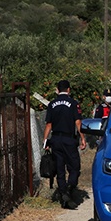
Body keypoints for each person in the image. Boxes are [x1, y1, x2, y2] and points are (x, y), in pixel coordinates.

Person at [43, 80, 86, 209]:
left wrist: (45, 140)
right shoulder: (73, 103)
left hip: (56, 139)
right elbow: (78, 123)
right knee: (74, 167)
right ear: (68, 90)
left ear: (57, 89)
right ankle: (68, 188)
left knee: (60, 168)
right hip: (69, 140)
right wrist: (82, 138)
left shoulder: (52, 104)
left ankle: (63, 194)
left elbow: (48, 125)